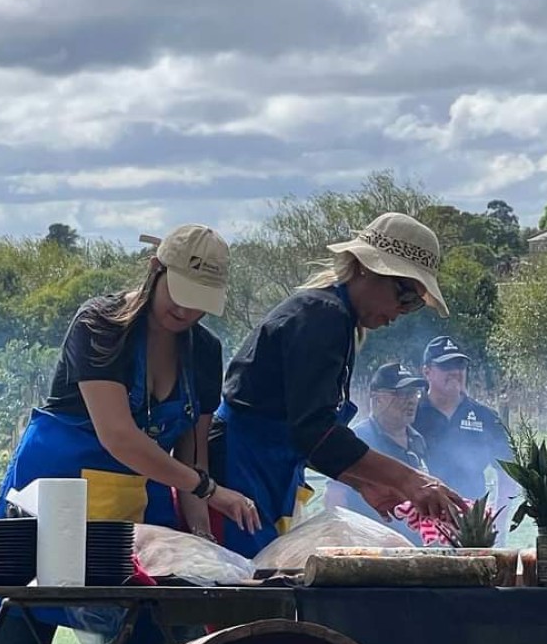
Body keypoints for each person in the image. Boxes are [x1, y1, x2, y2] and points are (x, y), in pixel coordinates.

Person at [0, 225, 259, 644]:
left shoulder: (205, 352)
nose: (188, 312)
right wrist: (209, 490)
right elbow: (119, 437)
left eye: (202, 304)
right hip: (51, 501)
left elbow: (190, 455)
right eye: (180, 295)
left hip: (133, 515)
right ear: (156, 271)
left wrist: (199, 546)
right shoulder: (99, 326)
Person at [212, 213, 464, 556]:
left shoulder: (336, 320)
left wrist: (362, 482)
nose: (401, 311)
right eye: (403, 295)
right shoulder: (322, 317)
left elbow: (309, 434)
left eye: (415, 303)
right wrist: (408, 479)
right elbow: (314, 431)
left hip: (266, 471)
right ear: (364, 268)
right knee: (245, 585)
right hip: (240, 470)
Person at [414, 335, 517, 531]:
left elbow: (507, 472)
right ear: (427, 370)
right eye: (446, 366)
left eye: (460, 365)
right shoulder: (412, 414)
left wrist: (498, 520)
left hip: (472, 523)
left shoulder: (486, 417)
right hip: (421, 521)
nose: (455, 372)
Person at [324, 362, 430, 537]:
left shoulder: (418, 440)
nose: (411, 400)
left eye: (414, 393)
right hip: (370, 546)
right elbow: (335, 497)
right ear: (377, 398)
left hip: (413, 546)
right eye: (401, 394)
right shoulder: (357, 438)